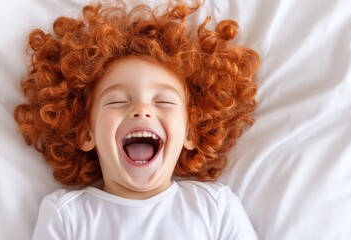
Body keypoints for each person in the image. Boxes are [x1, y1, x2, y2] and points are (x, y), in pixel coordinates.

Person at [14, 0, 260, 239]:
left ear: (191, 133)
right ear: (87, 134)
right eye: (117, 100)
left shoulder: (214, 208)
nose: (142, 110)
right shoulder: (66, 215)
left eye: (163, 101)